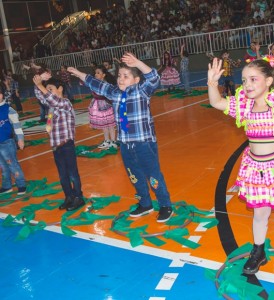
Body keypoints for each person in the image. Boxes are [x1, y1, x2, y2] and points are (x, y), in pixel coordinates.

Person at [207, 57, 274, 284]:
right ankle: (258, 252)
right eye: (244, 80)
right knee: (260, 215)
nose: (247, 84)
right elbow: (217, 103)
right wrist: (212, 84)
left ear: (268, 81)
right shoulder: (244, 105)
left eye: (253, 79)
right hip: (256, 168)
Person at [67, 52, 173, 223]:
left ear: (136, 80)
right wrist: (79, 74)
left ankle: (165, 205)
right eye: (119, 76)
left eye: (126, 76)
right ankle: (145, 204)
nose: (121, 79)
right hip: (125, 144)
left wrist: (137, 62)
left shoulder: (141, 91)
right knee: (134, 175)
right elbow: (96, 84)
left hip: (143, 143)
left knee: (153, 175)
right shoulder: (115, 93)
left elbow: (153, 78)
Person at [33, 74, 85, 211]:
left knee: (73, 173)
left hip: (67, 145)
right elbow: (40, 96)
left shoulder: (66, 103)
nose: (48, 92)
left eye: (50, 89)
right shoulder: (51, 107)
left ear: (60, 89)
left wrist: (41, 86)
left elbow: (53, 100)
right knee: (63, 175)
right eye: (47, 89)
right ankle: (69, 196)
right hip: (56, 147)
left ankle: (78, 197)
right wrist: (40, 82)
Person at [0, 81, 26, 195]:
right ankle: (7, 186)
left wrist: (20, 139)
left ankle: (21, 185)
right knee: (3, 166)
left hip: (7, 143)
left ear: (1, 95)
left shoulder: (8, 109)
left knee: (12, 164)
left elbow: (16, 125)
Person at [88, 65, 118, 149]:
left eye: (98, 73)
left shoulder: (106, 84)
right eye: (95, 73)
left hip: (106, 105)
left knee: (110, 125)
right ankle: (107, 140)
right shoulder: (94, 83)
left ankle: (113, 141)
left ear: (103, 75)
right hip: (97, 104)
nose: (96, 74)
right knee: (104, 125)